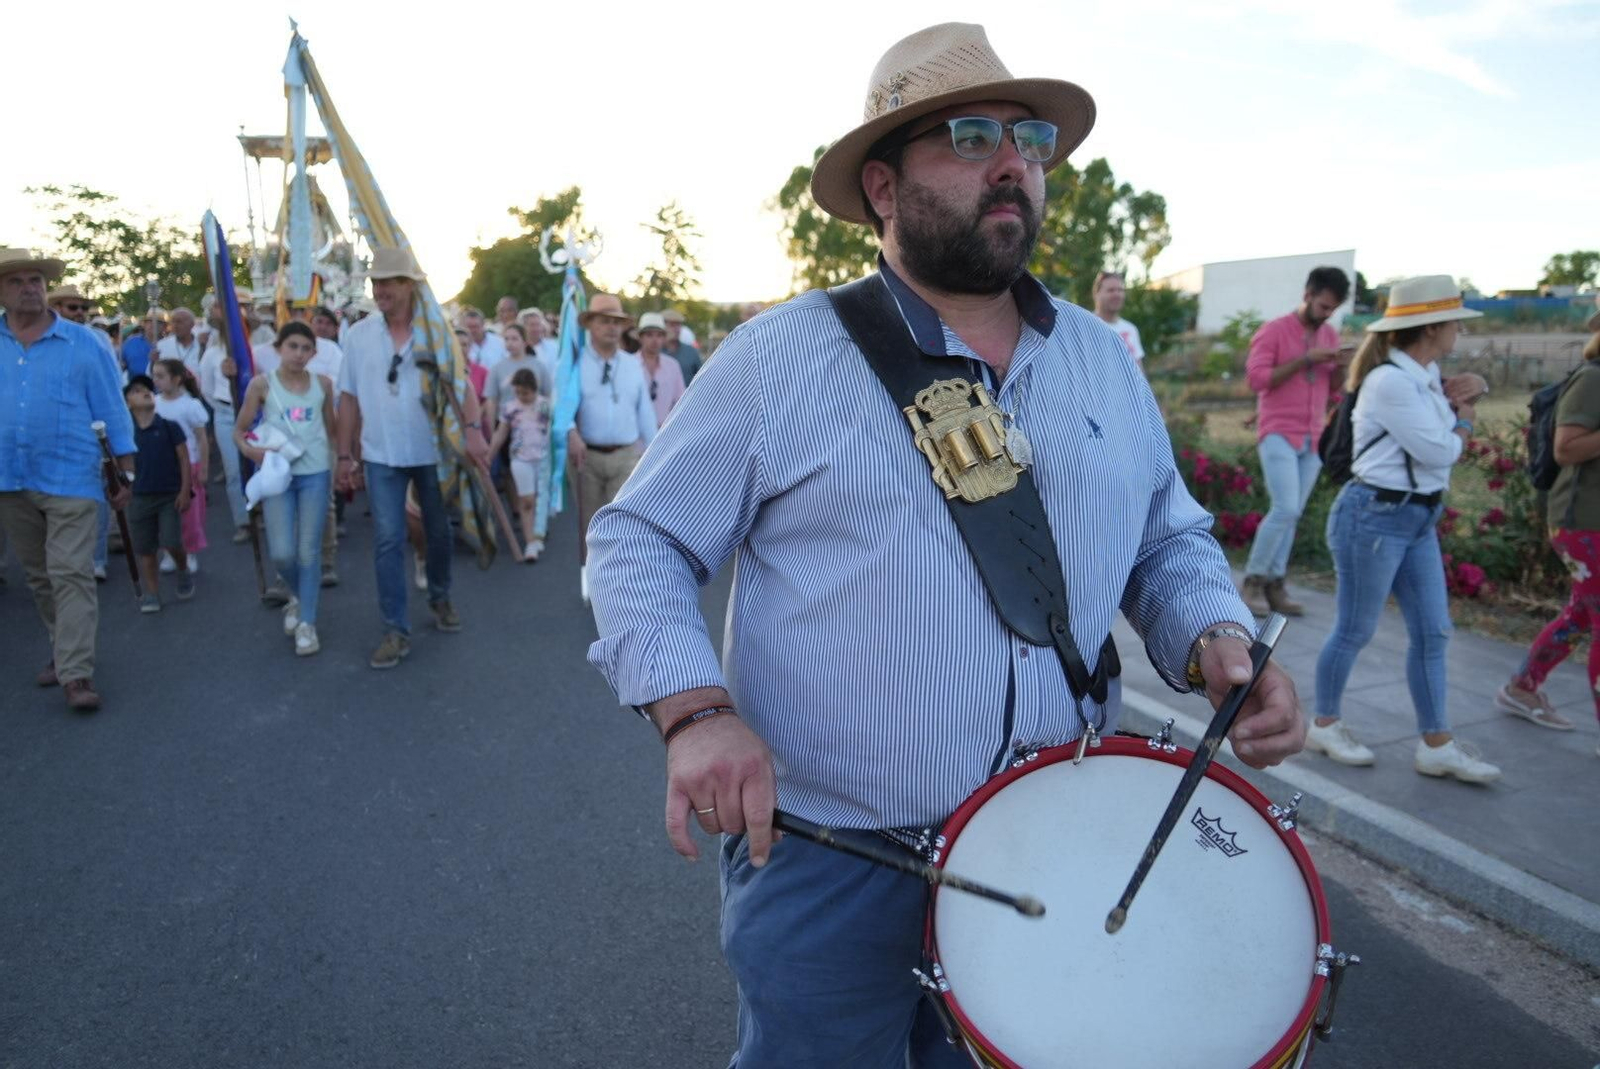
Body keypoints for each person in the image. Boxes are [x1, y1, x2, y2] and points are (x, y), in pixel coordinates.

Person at [583, 24, 1304, 1065]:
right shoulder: (779, 359)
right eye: (971, 138)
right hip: (837, 859)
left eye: (1030, 140)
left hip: (1063, 846)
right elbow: (638, 537)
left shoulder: (1100, 361)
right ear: (882, 186)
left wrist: (1214, 637)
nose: (1013, 162)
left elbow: (1166, 537)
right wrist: (696, 713)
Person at [1309, 274, 1499, 783]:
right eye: (1455, 322)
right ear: (1433, 327)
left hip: (1415, 517)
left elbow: (1455, 405)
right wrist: (1466, 421)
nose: (1460, 330)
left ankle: (1436, 745)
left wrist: (1476, 388)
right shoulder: (1390, 381)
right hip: (1373, 516)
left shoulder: (1422, 371)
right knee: (1354, 629)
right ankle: (1324, 723)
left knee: (1434, 630)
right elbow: (1439, 451)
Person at [335, 247, 490, 669]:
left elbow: (464, 388)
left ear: (409, 286)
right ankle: (395, 629)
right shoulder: (359, 335)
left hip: (432, 453)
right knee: (387, 538)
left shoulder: (434, 332)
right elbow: (347, 397)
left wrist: (474, 434)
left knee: (438, 532)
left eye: (388, 282)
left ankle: (439, 596)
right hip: (380, 455)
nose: (379, 289)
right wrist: (344, 456)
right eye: (375, 282)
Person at [0, 248, 135, 711]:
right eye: (17, 281)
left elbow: (112, 409)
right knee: (39, 577)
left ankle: (76, 673)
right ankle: (64, 649)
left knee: (70, 573)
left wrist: (125, 469)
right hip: (9, 478)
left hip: (73, 475)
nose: (29, 288)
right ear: (1, 292)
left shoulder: (84, 343)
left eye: (35, 279)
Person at [1497, 328, 1600, 745]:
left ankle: (1523, 686)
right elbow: (1566, 448)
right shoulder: (1593, 378)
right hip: (1584, 522)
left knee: (1580, 614)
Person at [1238, 266, 1353, 617]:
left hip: (1313, 435)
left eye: (1333, 309)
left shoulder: (1330, 336)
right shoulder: (1274, 332)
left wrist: (1342, 368)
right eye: (1323, 306)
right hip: (1277, 431)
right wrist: (1304, 359)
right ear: (1307, 295)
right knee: (1285, 508)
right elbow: (1256, 380)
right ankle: (1252, 582)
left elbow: (1332, 389)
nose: (1327, 314)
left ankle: (1276, 584)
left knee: (1293, 513)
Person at [235, 322, 336, 656]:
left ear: (314, 353)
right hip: (278, 476)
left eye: (306, 348)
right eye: (293, 346)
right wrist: (251, 451)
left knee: (309, 551)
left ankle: (307, 622)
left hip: (315, 473)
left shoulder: (323, 384)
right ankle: (298, 595)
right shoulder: (261, 385)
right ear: (279, 348)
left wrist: (340, 465)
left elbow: (330, 429)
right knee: (282, 552)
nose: (299, 354)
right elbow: (240, 430)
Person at [567, 293, 656, 541]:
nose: (611, 327)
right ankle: (592, 580)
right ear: (590, 325)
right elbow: (562, 405)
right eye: (604, 321)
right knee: (591, 529)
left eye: (616, 322)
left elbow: (645, 412)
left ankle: (618, 580)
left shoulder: (631, 364)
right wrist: (571, 432)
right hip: (587, 457)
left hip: (626, 456)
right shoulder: (575, 363)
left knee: (621, 527)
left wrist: (654, 456)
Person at [123, 374, 193, 613]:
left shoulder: (168, 426)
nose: (144, 392)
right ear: (127, 403)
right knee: (145, 549)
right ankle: (152, 593)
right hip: (139, 497)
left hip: (168, 495)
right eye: (135, 391)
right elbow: (116, 465)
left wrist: (185, 490)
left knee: (172, 541)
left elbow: (184, 458)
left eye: (146, 389)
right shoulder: (125, 433)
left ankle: (182, 568)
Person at [198, 298, 254, 545]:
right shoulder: (212, 354)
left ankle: (260, 511)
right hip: (225, 413)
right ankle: (243, 521)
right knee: (234, 470)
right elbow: (207, 390)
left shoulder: (257, 347)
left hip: (256, 412)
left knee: (260, 465)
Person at [151, 358, 210, 573]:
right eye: (154, 375)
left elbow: (201, 438)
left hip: (189, 466)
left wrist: (203, 467)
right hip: (163, 468)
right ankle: (169, 551)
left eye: (161, 376)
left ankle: (189, 552)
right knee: (165, 513)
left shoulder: (190, 405)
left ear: (176, 379)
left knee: (190, 513)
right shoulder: (154, 403)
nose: (156, 380)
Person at [489, 368, 552, 562]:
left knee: (542, 499)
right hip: (520, 459)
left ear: (534, 389)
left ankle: (538, 532)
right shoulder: (509, 408)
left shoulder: (545, 406)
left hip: (543, 458)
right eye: (518, 392)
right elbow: (501, 433)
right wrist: (489, 455)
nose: (522, 397)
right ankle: (530, 542)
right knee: (527, 500)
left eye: (525, 392)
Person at [636, 312, 686, 426]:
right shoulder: (629, 364)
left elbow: (680, 400)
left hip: (665, 434)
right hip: (635, 435)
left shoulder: (673, 365)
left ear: (664, 338)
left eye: (659, 335)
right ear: (640, 338)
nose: (655, 340)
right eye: (649, 335)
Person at [1090, 269, 1144, 365]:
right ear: (1096, 294)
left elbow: (1139, 372)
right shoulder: (1085, 326)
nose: (1117, 294)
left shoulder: (1131, 329)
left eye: (1120, 290)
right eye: (1111, 290)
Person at [155, 307, 205, 376]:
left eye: (179, 322)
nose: (175, 325)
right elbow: (152, 373)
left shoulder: (203, 344)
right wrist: (153, 361)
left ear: (192, 324)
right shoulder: (161, 345)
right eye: (173, 322)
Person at [660, 307, 701, 385]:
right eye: (672, 325)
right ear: (662, 327)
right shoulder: (654, 353)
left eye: (678, 325)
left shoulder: (691, 352)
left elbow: (702, 379)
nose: (676, 329)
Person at [461, 307, 508, 374]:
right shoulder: (461, 346)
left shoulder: (500, 342)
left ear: (483, 325)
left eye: (475, 326)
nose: (472, 330)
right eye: (469, 327)